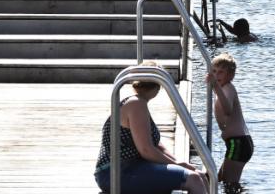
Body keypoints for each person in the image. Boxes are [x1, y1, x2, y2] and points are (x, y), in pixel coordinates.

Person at [94, 60, 207, 193]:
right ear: (158, 86)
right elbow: (146, 150)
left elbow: (156, 145)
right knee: (193, 179)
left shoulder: (138, 102)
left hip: (129, 167)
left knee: (199, 175)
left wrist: (180, 162)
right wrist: (177, 165)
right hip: (115, 172)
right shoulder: (136, 105)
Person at [210, 53, 253, 193]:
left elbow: (227, 110)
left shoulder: (228, 88)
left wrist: (215, 87)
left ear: (231, 75)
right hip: (236, 143)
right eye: (214, 71)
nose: (217, 75)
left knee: (230, 185)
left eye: (221, 72)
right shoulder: (223, 89)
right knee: (220, 179)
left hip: (238, 143)